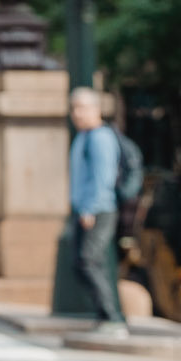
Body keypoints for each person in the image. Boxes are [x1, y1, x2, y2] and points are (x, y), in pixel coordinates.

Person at [69, 85, 128, 335]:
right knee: (86, 262)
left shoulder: (100, 138)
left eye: (81, 107)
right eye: (73, 108)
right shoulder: (83, 137)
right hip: (86, 209)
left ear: (96, 109)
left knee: (89, 262)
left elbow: (103, 178)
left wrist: (89, 209)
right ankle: (106, 317)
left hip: (98, 210)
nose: (76, 113)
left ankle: (113, 319)